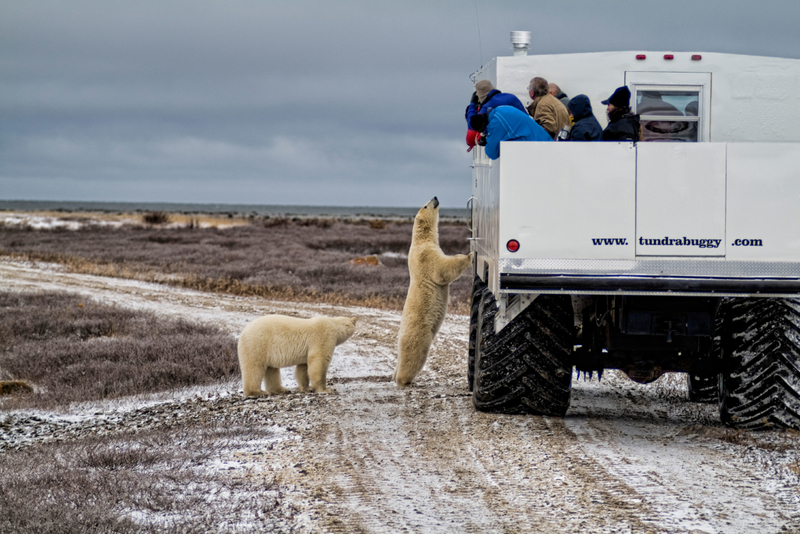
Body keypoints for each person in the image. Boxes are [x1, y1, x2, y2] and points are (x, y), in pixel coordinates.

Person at [469, 105, 552, 160]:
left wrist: (486, 142)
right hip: (544, 141)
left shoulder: (495, 124)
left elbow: (492, 154)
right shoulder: (499, 109)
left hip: (541, 148)